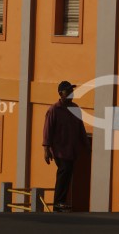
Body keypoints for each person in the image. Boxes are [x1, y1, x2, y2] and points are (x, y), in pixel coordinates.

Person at [42, 80, 90, 212]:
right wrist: (46, 149)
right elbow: (47, 130)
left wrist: (86, 145)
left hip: (72, 149)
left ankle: (61, 202)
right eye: (68, 91)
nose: (71, 94)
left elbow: (81, 128)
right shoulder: (54, 110)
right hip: (59, 150)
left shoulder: (75, 108)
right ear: (60, 93)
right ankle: (58, 202)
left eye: (72, 91)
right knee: (64, 171)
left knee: (67, 174)